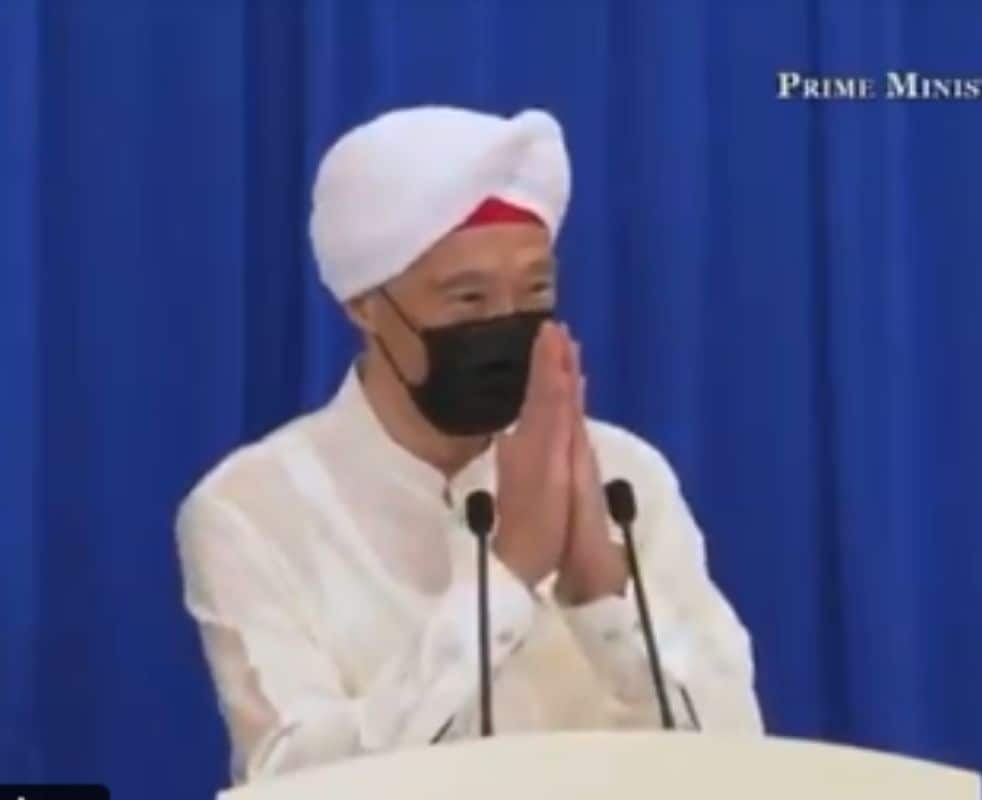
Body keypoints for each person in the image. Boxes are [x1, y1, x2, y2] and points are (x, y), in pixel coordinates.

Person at [176, 105, 762, 783]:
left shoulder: (624, 478)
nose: (507, 324)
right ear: (364, 304)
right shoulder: (251, 509)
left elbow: (741, 755)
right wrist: (505, 576)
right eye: (468, 300)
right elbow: (295, 781)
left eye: (535, 292)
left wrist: (601, 591)